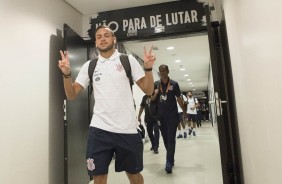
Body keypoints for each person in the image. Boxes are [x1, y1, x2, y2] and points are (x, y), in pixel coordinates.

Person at [58, 25, 156, 184]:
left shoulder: (127, 60)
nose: (102, 39)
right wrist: (66, 74)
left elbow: (149, 89)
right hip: (99, 130)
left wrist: (148, 69)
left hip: (127, 130)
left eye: (106, 35)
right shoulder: (90, 65)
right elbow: (71, 94)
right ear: (96, 42)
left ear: (114, 39)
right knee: (99, 178)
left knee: (134, 177)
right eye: (98, 37)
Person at [151, 64, 187, 173]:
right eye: (161, 71)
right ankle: (171, 157)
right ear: (159, 72)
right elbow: (152, 98)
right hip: (160, 117)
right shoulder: (156, 84)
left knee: (171, 138)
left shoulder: (174, 84)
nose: (162, 72)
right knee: (165, 139)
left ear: (168, 71)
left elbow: (179, 98)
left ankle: (169, 162)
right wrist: (155, 94)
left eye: (164, 70)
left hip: (172, 116)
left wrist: (184, 111)